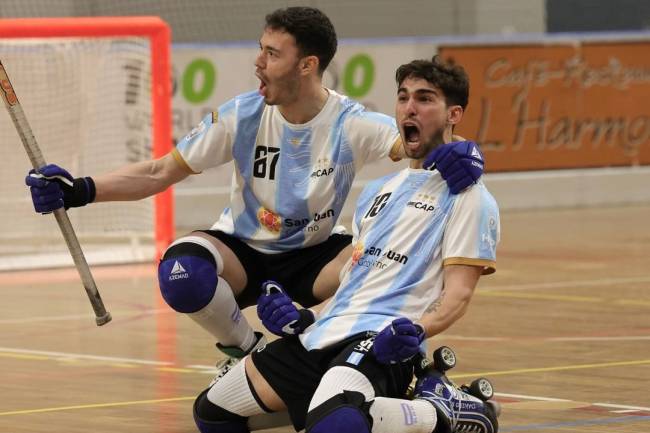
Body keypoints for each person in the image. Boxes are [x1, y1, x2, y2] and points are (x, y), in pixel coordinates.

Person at [24, 7, 484, 379]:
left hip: (317, 257)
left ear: (307, 66)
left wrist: (466, 151)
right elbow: (158, 172)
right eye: (260, 50)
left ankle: (408, 371)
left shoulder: (350, 122)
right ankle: (248, 353)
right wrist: (80, 190)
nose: (258, 63)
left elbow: (414, 143)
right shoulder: (243, 114)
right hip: (243, 251)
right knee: (181, 270)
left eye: (271, 53)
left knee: (382, 275)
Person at [192, 55, 500, 433]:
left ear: (453, 114)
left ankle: (442, 413)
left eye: (424, 99)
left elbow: (458, 296)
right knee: (212, 412)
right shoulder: (378, 191)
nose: (409, 108)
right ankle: (357, 407)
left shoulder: (469, 198)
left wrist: (417, 332)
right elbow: (357, 279)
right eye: (403, 97)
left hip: (383, 340)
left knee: (336, 425)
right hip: (324, 333)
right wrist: (306, 316)